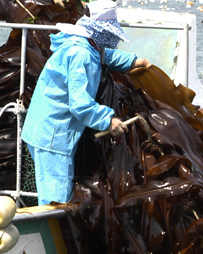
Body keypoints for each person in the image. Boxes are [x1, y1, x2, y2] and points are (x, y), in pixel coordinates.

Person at [21, 0, 151, 205]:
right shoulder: (81, 54)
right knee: (56, 201)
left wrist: (132, 61)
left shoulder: (81, 43)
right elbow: (80, 104)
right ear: (101, 31)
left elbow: (103, 55)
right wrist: (108, 120)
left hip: (44, 128)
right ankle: (53, 233)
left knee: (55, 194)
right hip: (53, 136)